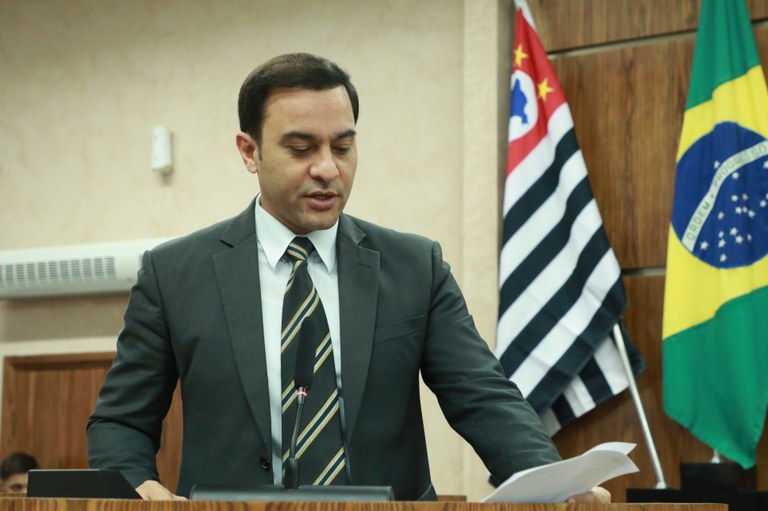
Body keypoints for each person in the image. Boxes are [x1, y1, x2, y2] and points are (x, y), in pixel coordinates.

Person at [87, 53, 609, 503]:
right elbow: (120, 421)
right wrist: (137, 487)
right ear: (250, 151)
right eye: (301, 149)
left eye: (342, 147)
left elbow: (483, 396)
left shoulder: (415, 266)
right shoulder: (175, 274)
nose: (327, 169)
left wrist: (554, 482)